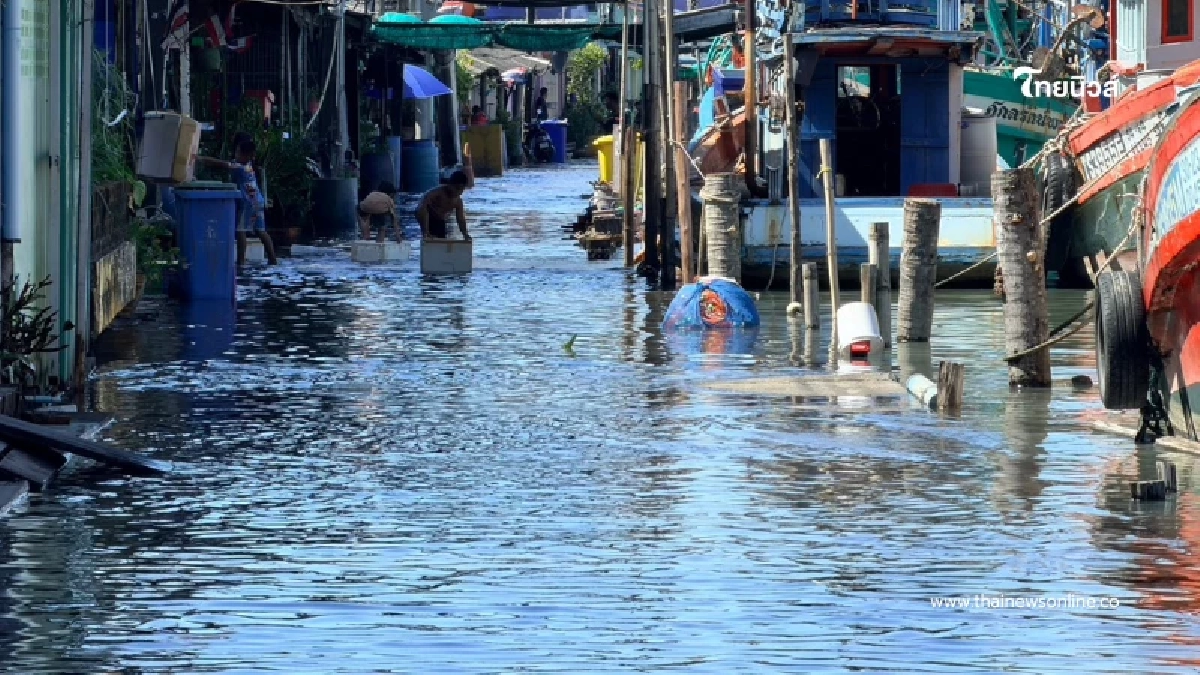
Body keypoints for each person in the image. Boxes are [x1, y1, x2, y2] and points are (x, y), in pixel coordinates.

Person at [198, 138, 279, 267]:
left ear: (246, 155)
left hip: (247, 202)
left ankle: (241, 262)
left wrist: (200, 159)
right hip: (258, 201)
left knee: (241, 230)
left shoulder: (240, 166)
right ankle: (273, 259)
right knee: (261, 231)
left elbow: (221, 164)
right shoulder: (249, 166)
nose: (235, 155)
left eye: (238, 152)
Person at [415, 171, 470, 241]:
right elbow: (422, 205)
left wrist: (465, 234)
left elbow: (460, 219)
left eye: (461, 189)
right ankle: (426, 233)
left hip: (439, 219)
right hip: (427, 214)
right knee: (423, 209)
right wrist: (425, 232)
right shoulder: (438, 193)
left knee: (441, 239)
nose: (458, 192)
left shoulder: (458, 201)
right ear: (450, 184)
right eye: (456, 188)